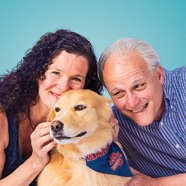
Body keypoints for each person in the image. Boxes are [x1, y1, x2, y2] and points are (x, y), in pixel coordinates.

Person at [0, 29, 103, 186]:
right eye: (56, 73)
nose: (63, 87)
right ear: (38, 71)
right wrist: (35, 162)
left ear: (85, 86)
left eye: (76, 79)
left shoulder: (84, 126)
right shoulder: (3, 118)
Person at [98, 38, 186, 186]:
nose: (132, 102)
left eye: (138, 85)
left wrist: (156, 184)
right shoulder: (114, 127)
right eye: (118, 93)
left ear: (158, 75)